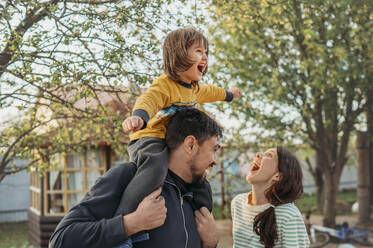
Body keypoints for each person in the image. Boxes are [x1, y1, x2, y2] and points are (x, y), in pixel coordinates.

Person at [49, 108, 221, 248]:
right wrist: (131, 223)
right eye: (214, 149)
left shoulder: (198, 198)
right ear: (190, 145)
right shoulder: (129, 176)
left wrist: (211, 243)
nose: (215, 160)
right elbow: (60, 240)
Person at [119, 27, 240, 218]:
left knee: (202, 181)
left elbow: (212, 92)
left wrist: (229, 95)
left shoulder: (195, 89)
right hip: (150, 138)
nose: (205, 57)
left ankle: (199, 217)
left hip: (173, 142)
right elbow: (149, 99)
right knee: (154, 169)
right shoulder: (165, 84)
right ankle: (126, 215)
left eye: (206, 52)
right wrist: (139, 117)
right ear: (179, 55)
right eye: (199, 51)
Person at [231, 147, 310, 248]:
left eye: (269, 155)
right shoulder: (238, 203)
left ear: (278, 176)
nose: (258, 155)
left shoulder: (289, 216)